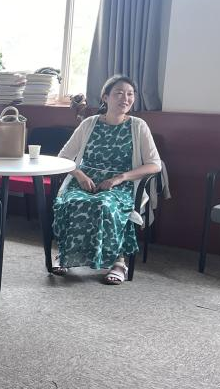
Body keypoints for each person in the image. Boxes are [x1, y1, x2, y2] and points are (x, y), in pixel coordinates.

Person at [52, 76, 162, 284]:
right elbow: (64, 157)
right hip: (85, 180)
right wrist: (79, 175)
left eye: (130, 94)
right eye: (119, 93)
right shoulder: (89, 123)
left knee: (104, 204)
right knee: (73, 201)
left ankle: (118, 262)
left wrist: (120, 178)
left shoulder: (138, 126)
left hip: (121, 185)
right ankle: (66, 255)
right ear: (105, 97)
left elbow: (155, 164)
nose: (125, 98)